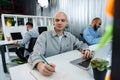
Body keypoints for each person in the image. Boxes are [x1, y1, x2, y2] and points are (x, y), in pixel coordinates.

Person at [28, 12, 92, 76]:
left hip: (67, 71)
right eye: (57, 20)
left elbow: (81, 44)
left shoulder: (70, 36)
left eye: (63, 20)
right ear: (53, 22)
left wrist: (86, 50)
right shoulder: (44, 35)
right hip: (50, 70)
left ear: (66, 22)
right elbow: (35, 54)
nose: (59, 22)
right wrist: (40, 65)